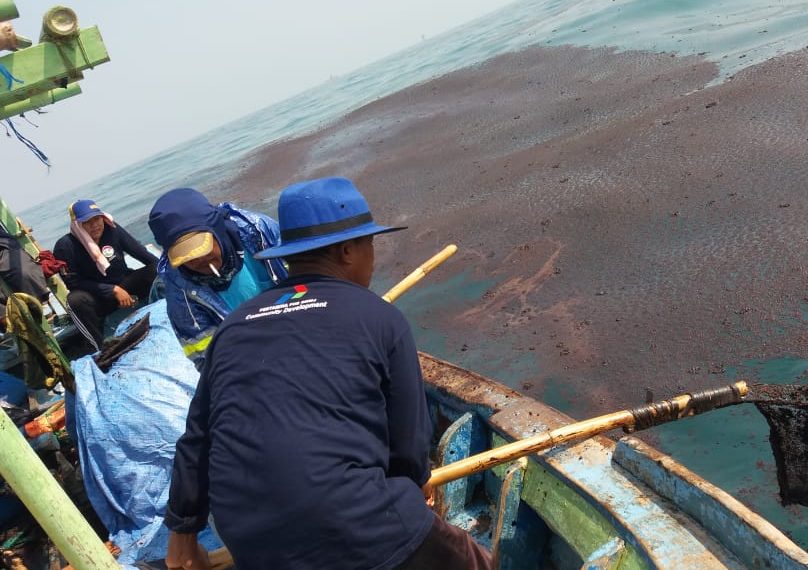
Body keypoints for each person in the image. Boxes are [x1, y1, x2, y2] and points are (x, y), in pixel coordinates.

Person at [163, 177, 492, 570]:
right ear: (348, 251)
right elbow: (408, 446)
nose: (373, 259)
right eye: (370, 245)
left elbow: (197, 439)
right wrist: (415, 490)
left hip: (249, 542)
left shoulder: (231, 330)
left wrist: (183, 535)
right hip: (356, 520)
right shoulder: (379, 317)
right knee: (472, 559)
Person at [147, 188, 287, 369]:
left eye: (203, 249)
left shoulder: (260, 232)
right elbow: (208, 359)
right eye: (188, 257)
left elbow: (308, 277)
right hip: (253, 355)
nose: (199, 259)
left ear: (217, 230)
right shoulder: (180, 295)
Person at [53, 200, 158, 349]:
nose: (95, 225)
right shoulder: (65, 246)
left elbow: (141, 253)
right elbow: (73, 283)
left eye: (97, 218)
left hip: (126, 287)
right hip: (98, 299)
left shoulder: (112, 229)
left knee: (157, 269)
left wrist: (172, 270)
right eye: (87, 222)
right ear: (77, 225)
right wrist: (112, 290)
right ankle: (101, 347)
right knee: (75, 300)